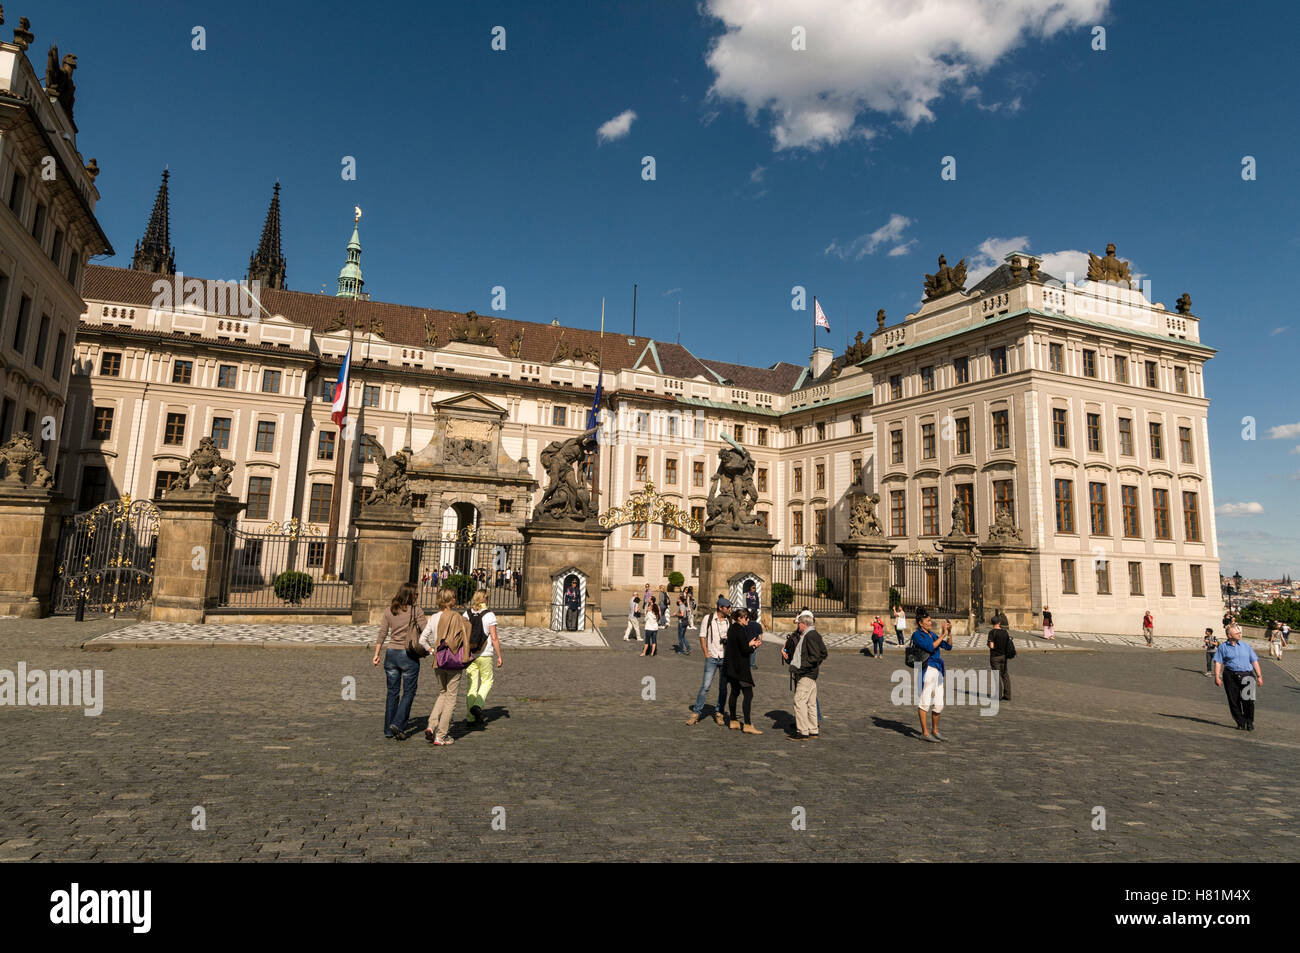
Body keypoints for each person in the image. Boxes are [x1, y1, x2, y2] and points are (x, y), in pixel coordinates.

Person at [371, 583, 426, 740]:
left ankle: (388, 729)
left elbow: (382, 633)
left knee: (392, 693)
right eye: (415, 594)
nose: (417, 596)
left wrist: (376, 654)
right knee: (409, 692)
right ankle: (398, 722)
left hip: (391, 654)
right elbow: (426, 630)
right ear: (410, 595)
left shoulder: (390, 610)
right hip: (408, 655)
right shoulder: (416, 611)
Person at [419, 588, 472, 746]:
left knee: (442, 693)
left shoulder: (434, 617)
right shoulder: (457, 616)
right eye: (454, 598)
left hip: (438, 660)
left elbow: (422, 639)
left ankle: (431, 725)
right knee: (451, 698)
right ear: (451, 601)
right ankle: (441, 736)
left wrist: (432, 650)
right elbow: (466, 634)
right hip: (454, 660)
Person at [685, 597, 732, 726]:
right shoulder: (709, 619)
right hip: (711, 657)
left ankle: (719, 713)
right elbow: (702, 636)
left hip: (724, 657)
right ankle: (696, 713)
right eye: (727, 607)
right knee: (705, 686)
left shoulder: (729, 621)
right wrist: (706, 653)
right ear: (720, 608)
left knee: (723, 688)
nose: (729, 609)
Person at [783, 609, 827, 741]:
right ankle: (813, 729)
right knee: (811, 702)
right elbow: (824, 653)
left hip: (806, 674)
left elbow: (815, 656)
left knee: (800, 701)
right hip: (812, 674)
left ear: (803, 624)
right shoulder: (814, 634)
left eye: (799, 623)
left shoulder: (809, 635)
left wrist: (803, 667)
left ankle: (802, 731)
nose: (798, 626)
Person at [912, 609, 953, 742]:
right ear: (921, 623)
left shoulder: (932, 634)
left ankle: (935, 731)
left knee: (939, 703)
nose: (930, 622)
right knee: (925, 702)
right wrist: (943, 634)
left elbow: (948, 646)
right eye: (928, 621)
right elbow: (930, 647)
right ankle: (925, 732)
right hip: (926, 668)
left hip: (938, 670)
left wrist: (949, 633)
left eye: (930, 620)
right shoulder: (917, 635)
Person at [463, 590, 502, 728]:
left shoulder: (466, 614)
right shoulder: (489, 615)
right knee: (487, 681)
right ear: (485, 599)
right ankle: (478, 706)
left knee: (471, 685)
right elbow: (494, 637)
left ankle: (470, 717)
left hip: (470, 654)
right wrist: (499, 656)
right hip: (485, 653)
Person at [1214, 624, 1263, 730]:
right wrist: (1217, 676)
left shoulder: (1246, 646)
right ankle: (1240, 722)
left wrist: (1259, 675)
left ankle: (1249, 721)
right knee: (1233, 700)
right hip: (1230, 676)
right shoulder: (1223, 647)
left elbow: (1254, 661)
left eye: (1240, 632)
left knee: (1249, 700)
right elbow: (1218, 662)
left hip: (1247, 675)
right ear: (1229, 635)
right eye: (1237, 633)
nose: (1240, 634)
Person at [724, 607, 763, 734]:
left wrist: (749, 643)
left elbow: (738, 646)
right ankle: (747, 724)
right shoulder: (740, 630)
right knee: (748, 695)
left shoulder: (732, 628)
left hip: (731, 668)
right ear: (740, 618)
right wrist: (753, 646)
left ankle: (733, 720)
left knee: (734, 693)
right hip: (741, 669)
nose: (748, 620)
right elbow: (744, 650)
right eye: (746, 618)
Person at [988, 615, 1012, 701]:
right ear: (999, 622)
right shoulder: (1005, 632)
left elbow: (991, 646)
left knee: (996, 676)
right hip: (1004, 656)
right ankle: (1007, 694)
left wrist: (989, 644)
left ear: (992, 623)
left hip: (995, 657)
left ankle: (998, 695)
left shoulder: (992, 632)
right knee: (1005, 675)